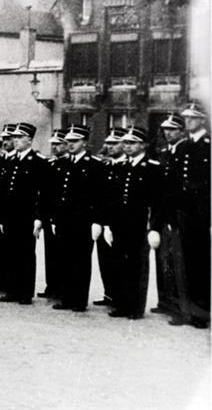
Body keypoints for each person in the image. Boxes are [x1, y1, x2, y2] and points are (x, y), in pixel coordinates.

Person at [103, 126, 164, 320]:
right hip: (121, 224)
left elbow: (157, 201)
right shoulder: (121, 167)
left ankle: (135, 307)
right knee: (120, 263)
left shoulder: (152, 168)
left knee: (137, 266)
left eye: (132, 143)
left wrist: (154, 227)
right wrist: (109, 225)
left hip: (139, 225)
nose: (127, 147)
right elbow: (114, 200)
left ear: (143, 145)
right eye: (126, 143)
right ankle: (122, 304)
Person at [49, 125, 104, 313]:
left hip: (83, 222)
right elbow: (58, 194)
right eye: (69, 141)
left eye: (75, 141)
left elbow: (99, 197)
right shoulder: (63, 163)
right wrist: (55, 219)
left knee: (80, 261)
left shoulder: (94, 165)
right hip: (64, 220)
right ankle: (67, 298)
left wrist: (97, 221)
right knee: (65, 259)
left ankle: (79, 300)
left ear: (85, 143)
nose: (70, 144)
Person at [168, 102, 210, 328]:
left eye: (193, 117)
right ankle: (186, 310)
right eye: (186, 118)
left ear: (202, 120)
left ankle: (201, 313)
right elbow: (175, 183)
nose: (189, 121)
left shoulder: (207, 146)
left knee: (201, 263)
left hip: (202, 214)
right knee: (183, 262)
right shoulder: (183, 146)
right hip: (183, 212)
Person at [0, 123, 44, 305]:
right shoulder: (10, 161)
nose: (15, 140)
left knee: (26, 254)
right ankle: (12, 289)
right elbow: (2, 190)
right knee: (10, 252)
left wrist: (39, 218)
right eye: (13, 137)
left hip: (26, 216)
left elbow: (42, 193)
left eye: (20, 137)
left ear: (29, 139)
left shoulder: (37, 162)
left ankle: (25, 292)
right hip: (9, 216)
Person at [152, 114, 189, 318]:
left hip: (179, 215)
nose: (168, 133)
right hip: (163, 214)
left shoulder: (185, 152)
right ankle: (165, 301)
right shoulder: (165, 153)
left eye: (173, 129)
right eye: (165, 129)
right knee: (163, 258)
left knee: (180, 263)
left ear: (182, 131)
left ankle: (181, 308)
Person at [93, 128, 127, 309]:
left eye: (114, 143)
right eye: (108, 143)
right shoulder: (105, 166)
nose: (109, 147)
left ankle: (120, 298)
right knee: (104, 261)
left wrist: (111, 223)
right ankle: (109, 294)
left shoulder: (126, 167)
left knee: (119, 262)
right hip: (103, 221)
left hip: (119, 223)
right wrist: (99, 221)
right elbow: (99, 197)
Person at [37, 129, 68, 300]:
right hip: (49, 215)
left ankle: (62, 287)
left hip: (62, 215)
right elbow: (44, 193)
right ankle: (52, 285)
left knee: (62, 253)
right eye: (53, 144)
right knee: (50, 253)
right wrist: (41, 216)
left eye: (58, 144)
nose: (55, 147)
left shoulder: (67, 165)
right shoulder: (50, 165)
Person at [0, 123, 17, 293]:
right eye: (3, 139)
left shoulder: (17, 160)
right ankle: (2, 281)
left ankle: (11, 283)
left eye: (8, 139)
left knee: (12, 250)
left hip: (14, 212)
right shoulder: (0, 160)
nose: (5, 142)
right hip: (0, 210)